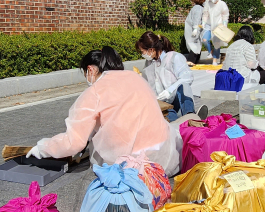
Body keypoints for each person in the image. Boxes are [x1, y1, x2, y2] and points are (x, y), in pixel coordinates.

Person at [26, 47, 182, 175]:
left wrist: (42, 148)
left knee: (98, 154)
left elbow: (74, 142)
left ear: (90, 70)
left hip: (134, 169)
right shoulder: (134, 77)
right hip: (166, 158)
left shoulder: (94, 93)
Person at [136, 32, 207, 122]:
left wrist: (169, 91)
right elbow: (147, 85)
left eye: (143, 52)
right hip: (164, 103)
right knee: (168, 117)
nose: (143, 55)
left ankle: (190, 115)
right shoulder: (148, 64)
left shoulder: (174, 57)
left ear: (151, 50)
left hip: (177, 99)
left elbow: (187, 77)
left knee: (183, 86)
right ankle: (180, 122)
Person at [201, 0, 230, 65]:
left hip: (218, 26)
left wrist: (224, 25)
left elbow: (225, 15)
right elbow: (205, 14)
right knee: (204, 39)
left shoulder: (222, 4)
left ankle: (214, 60)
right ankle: (210, 52)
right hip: (208, 25)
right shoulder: (208, 3)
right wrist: (203, 23)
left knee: (216, 43)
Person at [181, 0, 205, 64]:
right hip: (194, 31)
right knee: (195, 48)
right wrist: (196, 32)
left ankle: (194, 62)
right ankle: (191, 62)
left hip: (192, 30)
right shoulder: (199, 8)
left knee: (196, 47)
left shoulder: (196, 7)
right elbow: (196, 21)